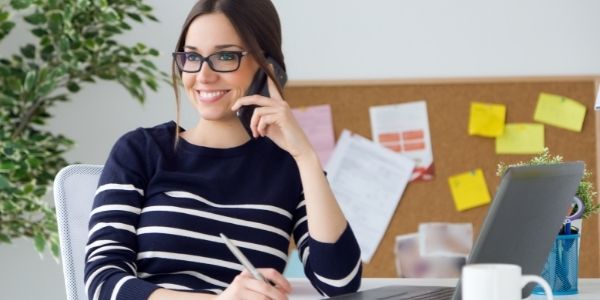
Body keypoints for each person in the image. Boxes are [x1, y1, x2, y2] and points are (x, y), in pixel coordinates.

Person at [83, 0, 362, 299]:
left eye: (225, 56)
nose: (203, 75)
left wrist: (305, 156)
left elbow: (339, 282)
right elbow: (102, 281)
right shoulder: (141, 151)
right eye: (192, 57)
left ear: (268, 69)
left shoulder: (287, 168)